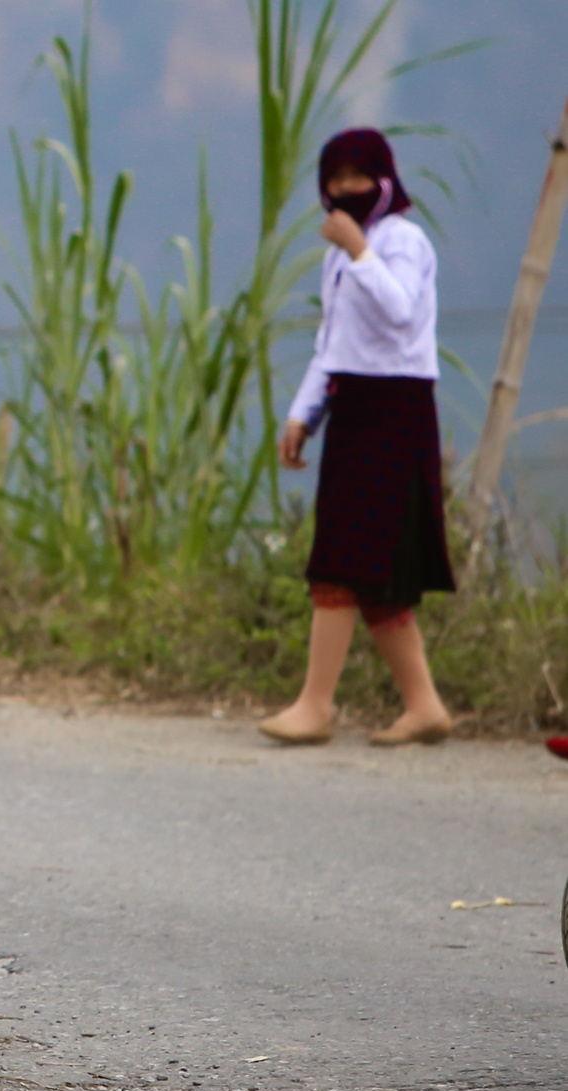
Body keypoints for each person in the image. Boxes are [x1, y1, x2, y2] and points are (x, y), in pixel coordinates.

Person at [261, 128, 456, 748]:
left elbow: (400, 311)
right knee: (373, 572)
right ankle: (424, 706)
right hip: (353, 409)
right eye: (334, 179)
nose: (345, 190)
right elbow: (333, 345)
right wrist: (303, 416)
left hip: (397, 413)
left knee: (342, 560)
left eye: (357, 177)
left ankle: (315, 706)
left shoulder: (403, 242)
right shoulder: (338, 256)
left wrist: (359, 253)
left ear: (386, 181)